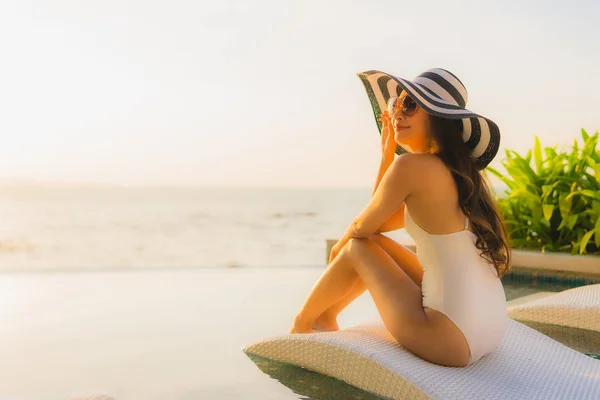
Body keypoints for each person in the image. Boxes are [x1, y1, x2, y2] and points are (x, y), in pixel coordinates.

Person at [289, 68, 511, 368]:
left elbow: (360, 228)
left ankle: (301, 325)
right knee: (372, 243)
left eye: (410, 105)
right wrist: (386, 154)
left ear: (437, 117)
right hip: (491, 329)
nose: (397, 114)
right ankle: (326, 317)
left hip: (450, 341)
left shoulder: (410, 167)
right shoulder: (461, 174)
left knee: (355, 247)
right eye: (396, 104)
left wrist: (338, 251)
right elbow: (376, 225)